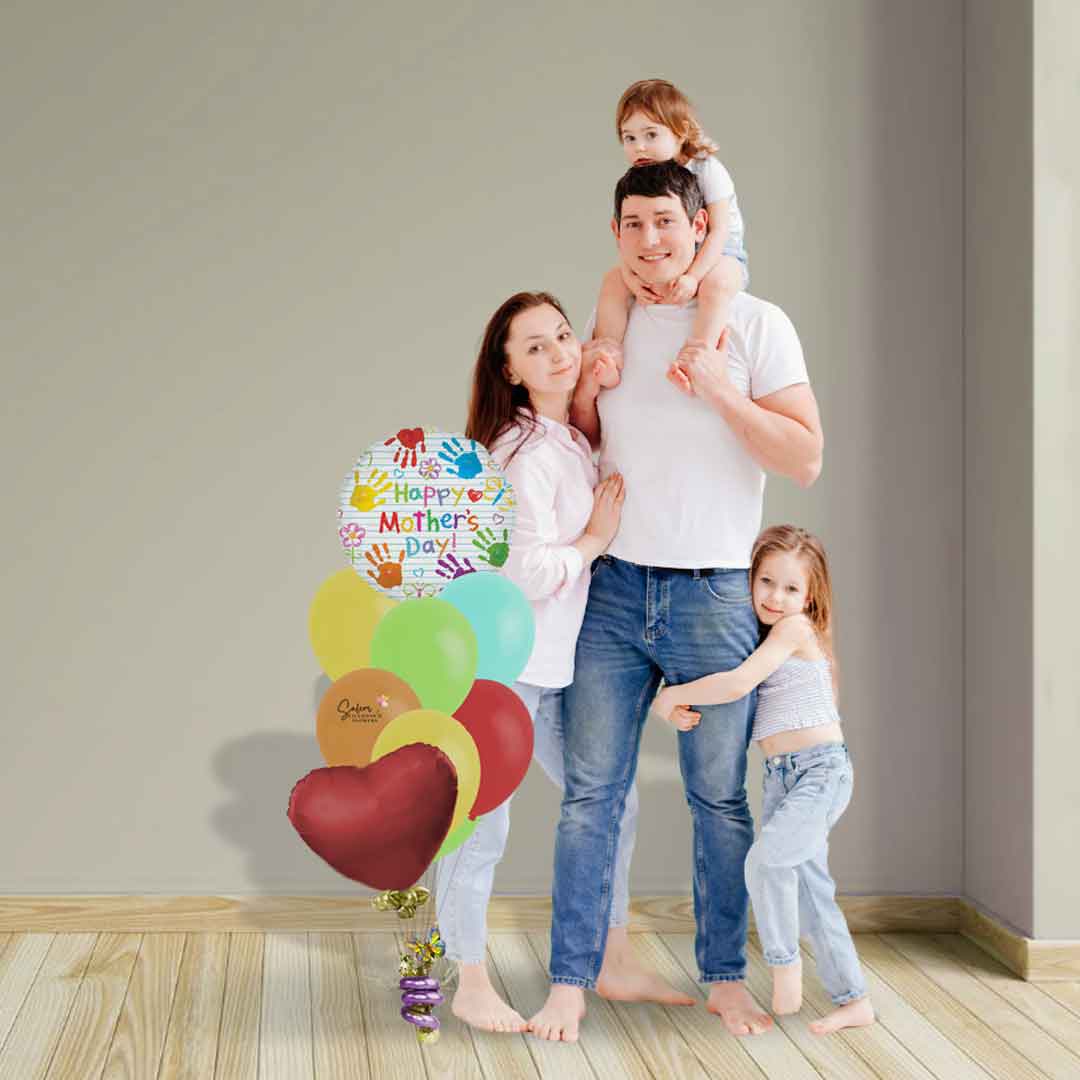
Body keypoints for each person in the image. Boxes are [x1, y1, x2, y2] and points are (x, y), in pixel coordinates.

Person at [529, 161, 823, 1043]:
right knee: (591, 796)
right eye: (632, 224)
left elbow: (804, 458)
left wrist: (723, 387)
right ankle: (571, 983)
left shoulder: (752, 324)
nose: (650, 240)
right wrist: (587, 380)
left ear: (701, 227)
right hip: (612, 589)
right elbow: (573, 441)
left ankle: (725, 979)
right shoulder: (605, 332)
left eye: (665, 221)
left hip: (716, 592)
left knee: (719, 799)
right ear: (615, 237)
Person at [435, 291, 694, 1033]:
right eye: (536, 347)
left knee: (611, 799)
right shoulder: (520, 456)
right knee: (481, 826)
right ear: (510, 370)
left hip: (550, 671)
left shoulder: (566, 442)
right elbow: (521, 573)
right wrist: (594, 541)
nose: (558, 353)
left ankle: (610, 959)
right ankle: (471, 980)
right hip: (499, 669)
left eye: (561, 336)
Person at [652, 525, 875, 1036]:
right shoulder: (760, 636)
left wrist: (670, 696)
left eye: (791, 588)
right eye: (766, 582)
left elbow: (737, 683)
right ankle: (853, 999)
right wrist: (688, 708)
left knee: (765, 861)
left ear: (810, 596)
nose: (776, 597)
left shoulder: (796, 631)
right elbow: (743, 702)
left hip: (820, 772)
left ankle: (783, 963)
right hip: (782, 779)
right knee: (813, 891)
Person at [593, 78, 748, 377]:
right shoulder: (643, 177)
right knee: (613, 281)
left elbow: (718, 231)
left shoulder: (707, 169)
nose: (639, 147)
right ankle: (607, 355)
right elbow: (631, 235)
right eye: (629, 138)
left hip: (720, 255)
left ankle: (698, 358)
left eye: (650, 134)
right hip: (670, 257)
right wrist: (630, 274)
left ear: (680, 133)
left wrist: (693, 276)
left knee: (716, 286)